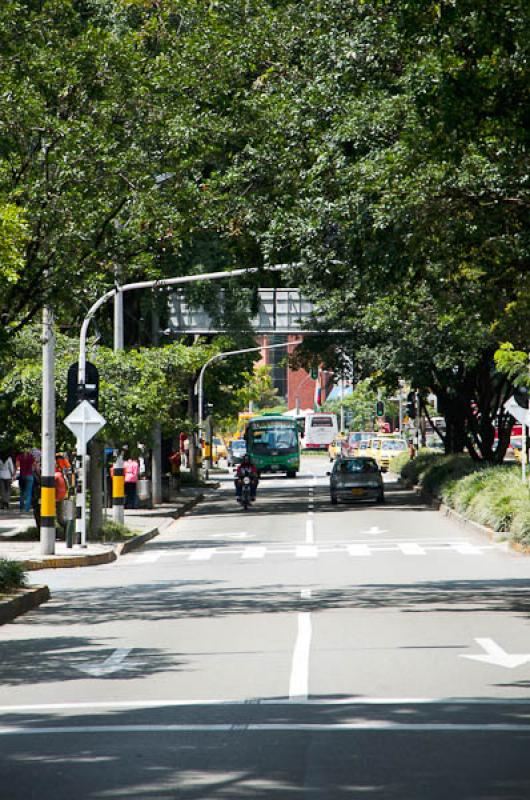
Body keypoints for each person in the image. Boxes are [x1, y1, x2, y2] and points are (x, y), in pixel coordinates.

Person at [16, 448, 35, 512]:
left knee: (22, 492)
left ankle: (21, 507)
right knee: (29, 493)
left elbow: (17, 466)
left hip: (22, 476)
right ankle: (27, 509)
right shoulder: (31, 457)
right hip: (29, 476)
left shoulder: (19, 456)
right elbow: (34, 466)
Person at [54, 457, 69, 537]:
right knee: (61, 518)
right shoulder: (62, 475)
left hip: (57, 499)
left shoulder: (56, 475)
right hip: (63, 498)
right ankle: (66, 533)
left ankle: (66, 533)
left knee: (59, 519)